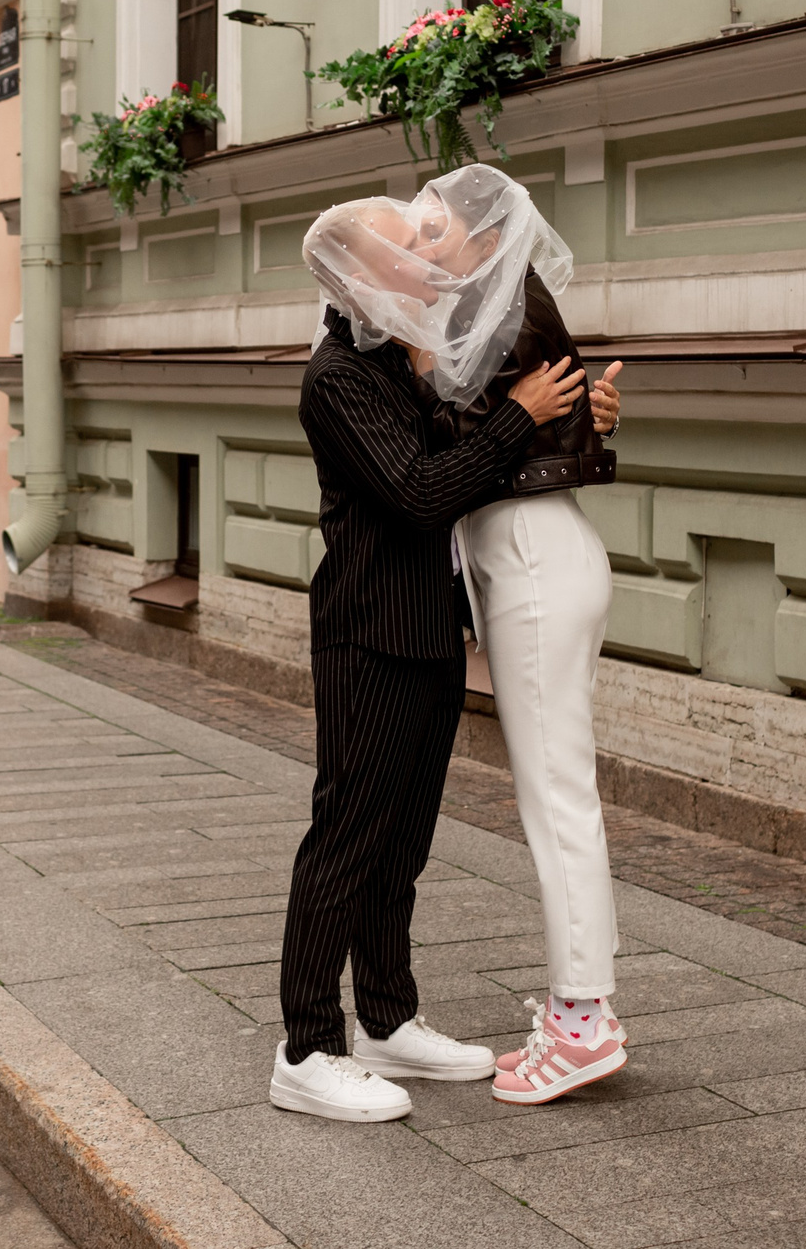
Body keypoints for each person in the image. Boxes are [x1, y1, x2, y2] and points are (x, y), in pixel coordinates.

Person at [269, 174, 588, 1124]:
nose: (423, 259)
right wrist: (521, 416)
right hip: (369, 634)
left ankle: (387, 1018)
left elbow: (480, 439)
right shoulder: (337, 377)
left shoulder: (409, 357)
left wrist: (574, 421)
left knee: (401, 845)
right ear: (359, 276)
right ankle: (306, 1046)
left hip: (426, 632)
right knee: (347, 841)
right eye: (402, 249)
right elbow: (419, 490)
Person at [434, 185, 632, 1106]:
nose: (421, 242)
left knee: (557, 799)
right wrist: (590, 421)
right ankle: (572, 1009)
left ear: (482, 235)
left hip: (535, 561)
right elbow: (563, 436)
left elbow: (445, 445)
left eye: (435, 227)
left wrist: (564, 417)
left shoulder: (499, 313)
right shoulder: (497, 310)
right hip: (540, 552)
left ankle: (585, 1020)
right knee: (553, 794)